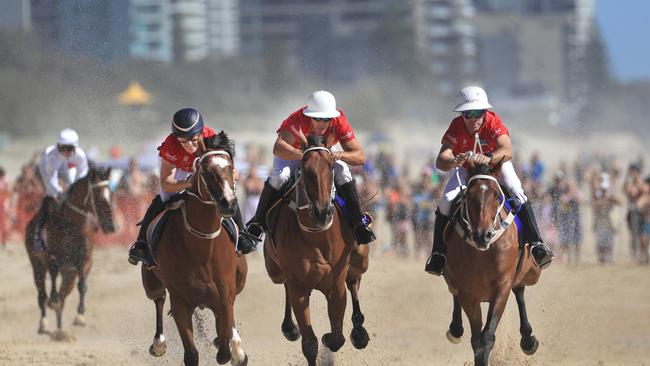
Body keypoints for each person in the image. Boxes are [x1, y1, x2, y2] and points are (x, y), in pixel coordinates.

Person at [424, 86, 553, 275]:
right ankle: (438, 253)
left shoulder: (493, 122)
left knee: (517, 191)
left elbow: (507, 150)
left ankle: (536, 244)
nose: (473, 118)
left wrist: (489, 158)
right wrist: (453, 161)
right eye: (468, 113)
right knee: (446, 200)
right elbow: (441, 160)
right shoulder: (455, 126)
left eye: (478, 112)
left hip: (497, 167)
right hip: (468, 169)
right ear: (462, 114)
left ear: (485, 111)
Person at [127, 108, 259, 266]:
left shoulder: (211, 137)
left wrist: (231, 175)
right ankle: (141, 243)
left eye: (194, 139)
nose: (190, 145)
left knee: (227, 195)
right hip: (181, 172)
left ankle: (242, 235)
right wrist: (189, 183)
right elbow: (166, 184)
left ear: (201, 133)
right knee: (163, 198)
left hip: (207, 170)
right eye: (183, 141)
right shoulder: (170, 145)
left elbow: (227, 168)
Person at [244, 90, 376, 244]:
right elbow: (278, 148)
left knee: (343, 171)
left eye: (326, 119)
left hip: (324, 153)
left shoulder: (339, 121)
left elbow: (360, 156)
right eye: (317, 119)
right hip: (293, 153)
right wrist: (303, 155)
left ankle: (358, 223)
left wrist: (340, 155)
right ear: (308, 115)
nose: (322, 123)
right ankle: (257, 224)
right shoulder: (296, 119)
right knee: (280, 177)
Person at [33, 128, 89, 252]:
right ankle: (37, 235)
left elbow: (82, 177)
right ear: (57, 146)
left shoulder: (80, 156)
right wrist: (58, 192)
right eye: (62, 148)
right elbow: (51, 180)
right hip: (48, 169)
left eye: (68, 149)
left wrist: (73, 191)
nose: (65, 151)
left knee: (73, 183)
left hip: (66, 168)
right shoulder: (52, 157)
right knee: (49, 195)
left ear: (75, 148)